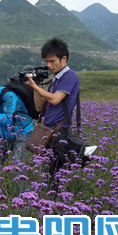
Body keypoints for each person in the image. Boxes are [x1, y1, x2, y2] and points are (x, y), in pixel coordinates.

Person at [24, 38, 81, 179]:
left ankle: (56, 200)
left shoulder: (70, 76)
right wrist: (36, 87)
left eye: (52, 61)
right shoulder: (56, 79)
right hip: (49, 131)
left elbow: (55, 99)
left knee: (56, 175)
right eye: (46, 62)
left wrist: (35, 86)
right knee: (49, 174)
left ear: (64, 59)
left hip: (59, 132)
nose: (49, 65)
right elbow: (40, 108)